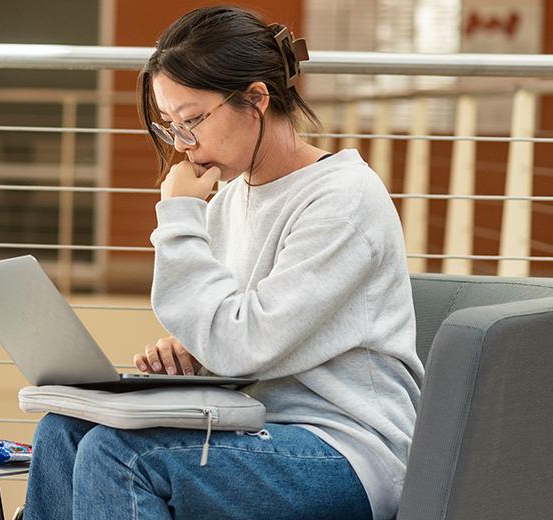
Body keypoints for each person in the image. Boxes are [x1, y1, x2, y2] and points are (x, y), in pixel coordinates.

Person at [22, 6, 424, 520]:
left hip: (347, 450)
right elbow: (237, 335)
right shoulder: (232, 198)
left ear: (255, 99)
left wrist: (180, 215)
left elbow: (246, 344)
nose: (184, 144)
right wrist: (195, 354)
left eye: (192, 121)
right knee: (64, 431)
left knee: (123, 456)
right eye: (171, 126)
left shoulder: (342, 200)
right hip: (249, 426)